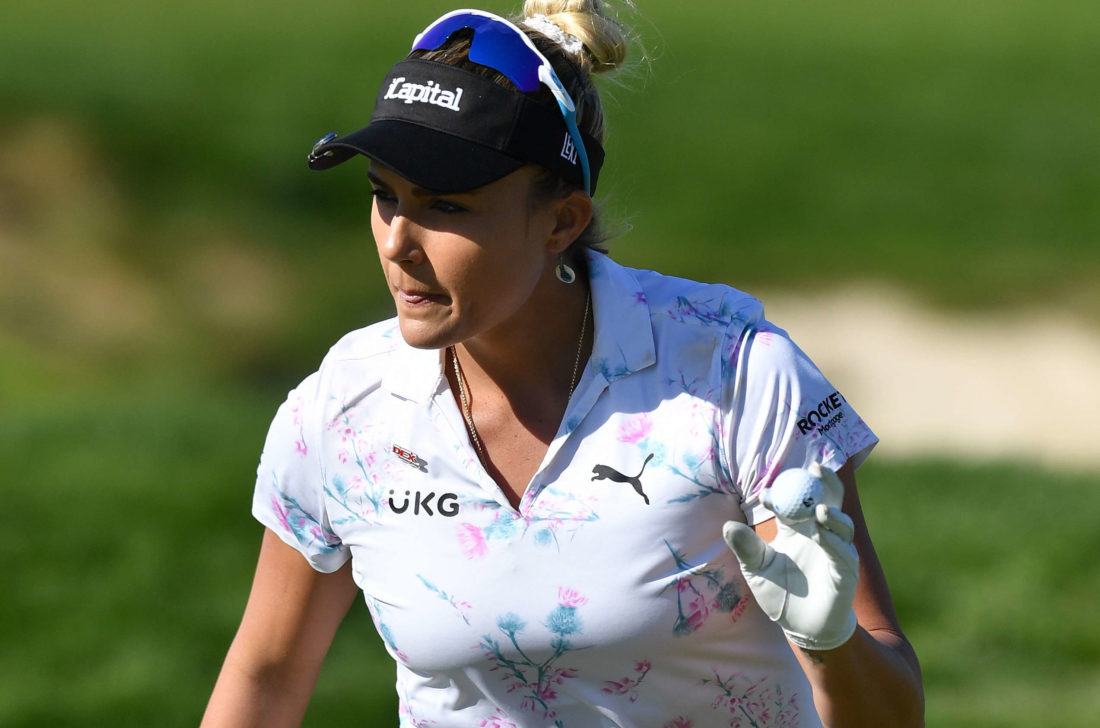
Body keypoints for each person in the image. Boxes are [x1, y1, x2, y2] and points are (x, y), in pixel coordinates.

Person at [201, 2, 924, 726]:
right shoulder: (344, 408)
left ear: (561, 222)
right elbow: (265, 675)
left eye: (445, 206)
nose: (397, 241)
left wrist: (830, 645)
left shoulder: (731, 373)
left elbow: (894, 716)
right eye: (384, 196)